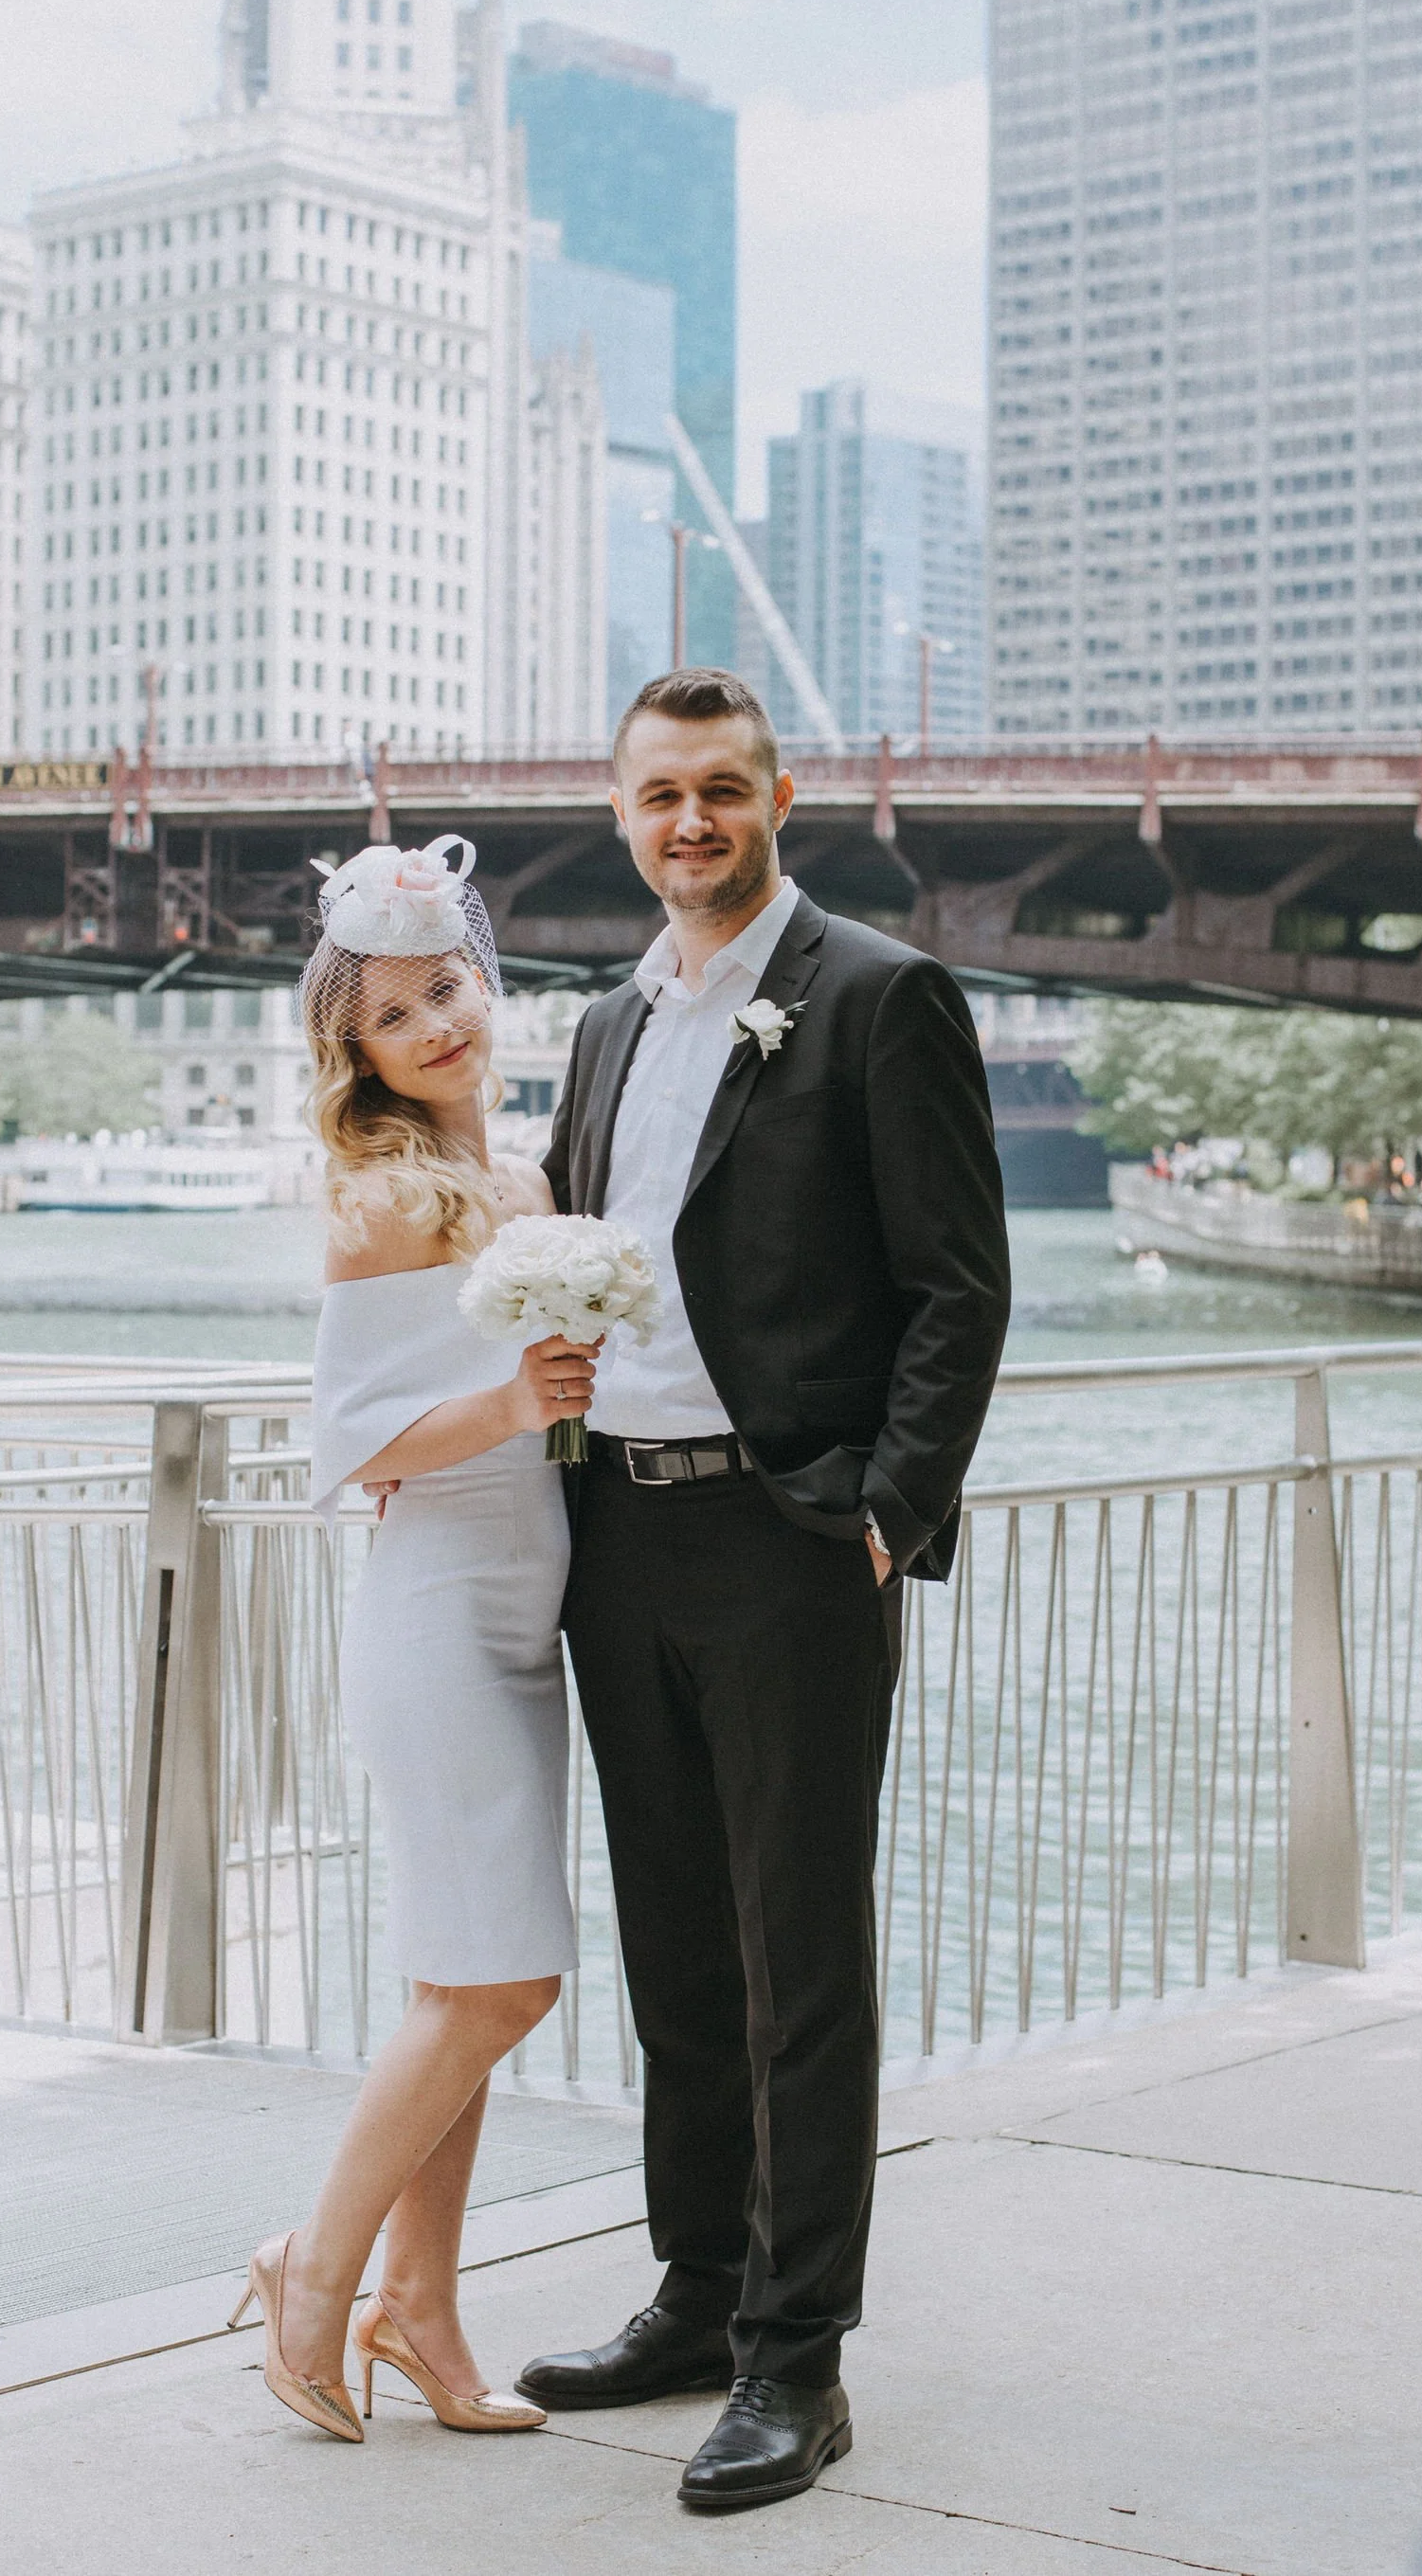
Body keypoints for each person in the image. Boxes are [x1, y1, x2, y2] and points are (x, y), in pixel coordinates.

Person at [518, 669, 1011, 2513]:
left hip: (787, 1539)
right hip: (619, 1537)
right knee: (674, 1948)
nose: (690, 823)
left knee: (798, 1961)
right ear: (622, 810)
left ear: (778, 799)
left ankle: (798, 2359)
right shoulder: (605, 1023)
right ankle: (698, 2290)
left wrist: (884, 1514)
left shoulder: (878, 994)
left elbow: (959, 1285)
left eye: (721, 790)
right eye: (660, 794)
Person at [232, 834, 599, 2446]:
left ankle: (424, 2311)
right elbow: (352, 1444)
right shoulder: (380, 1199)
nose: (437, 1025)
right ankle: (313, 2272)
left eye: (447, 989)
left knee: (464, 1979)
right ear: (358, 1054)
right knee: (502, 1986)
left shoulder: (523, 1188)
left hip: (527, 1613)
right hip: (441, 1612)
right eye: (395, 1014)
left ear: (483, 984)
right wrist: (517, 1402)